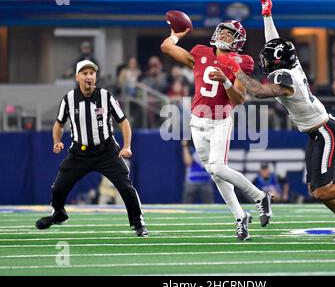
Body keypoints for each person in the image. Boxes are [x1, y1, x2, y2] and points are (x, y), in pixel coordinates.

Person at [217, 0, 335, 241]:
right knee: (317, 190)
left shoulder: (284, 79)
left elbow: (258, 91)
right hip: (317, 131)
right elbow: (274, 43)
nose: (265, 62)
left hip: (325, 131)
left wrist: (233, 68)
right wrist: (267, 15)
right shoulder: (293, 65)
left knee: (322, 190)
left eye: (268, 59)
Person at [161, 17, 272, 241]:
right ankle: (240, 217)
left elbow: (239, 99)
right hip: (196, 121)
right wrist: (178, 35)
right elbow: (166, 47)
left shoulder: (241, 61)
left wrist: (226, 81)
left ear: (237, 40)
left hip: (220, 120)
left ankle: (260, 196)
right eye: (222, 31)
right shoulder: (201, 53)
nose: (223, 36)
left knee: (219, 168)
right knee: (214, 173)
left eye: (229, 33)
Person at [35, 60, 148, 237]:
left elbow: (124, 122)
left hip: (106, 151)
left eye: (92, 73)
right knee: (58, 188)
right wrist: (56, 141)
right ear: (77, 77)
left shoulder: (106, 96)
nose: (89, 77)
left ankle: (138, 223)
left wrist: (127, 146)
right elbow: (58, 124)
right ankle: (59, 213)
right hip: (79, 152)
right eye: (85, 73)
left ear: (96, 77)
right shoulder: (69, 99)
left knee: (126, 187)